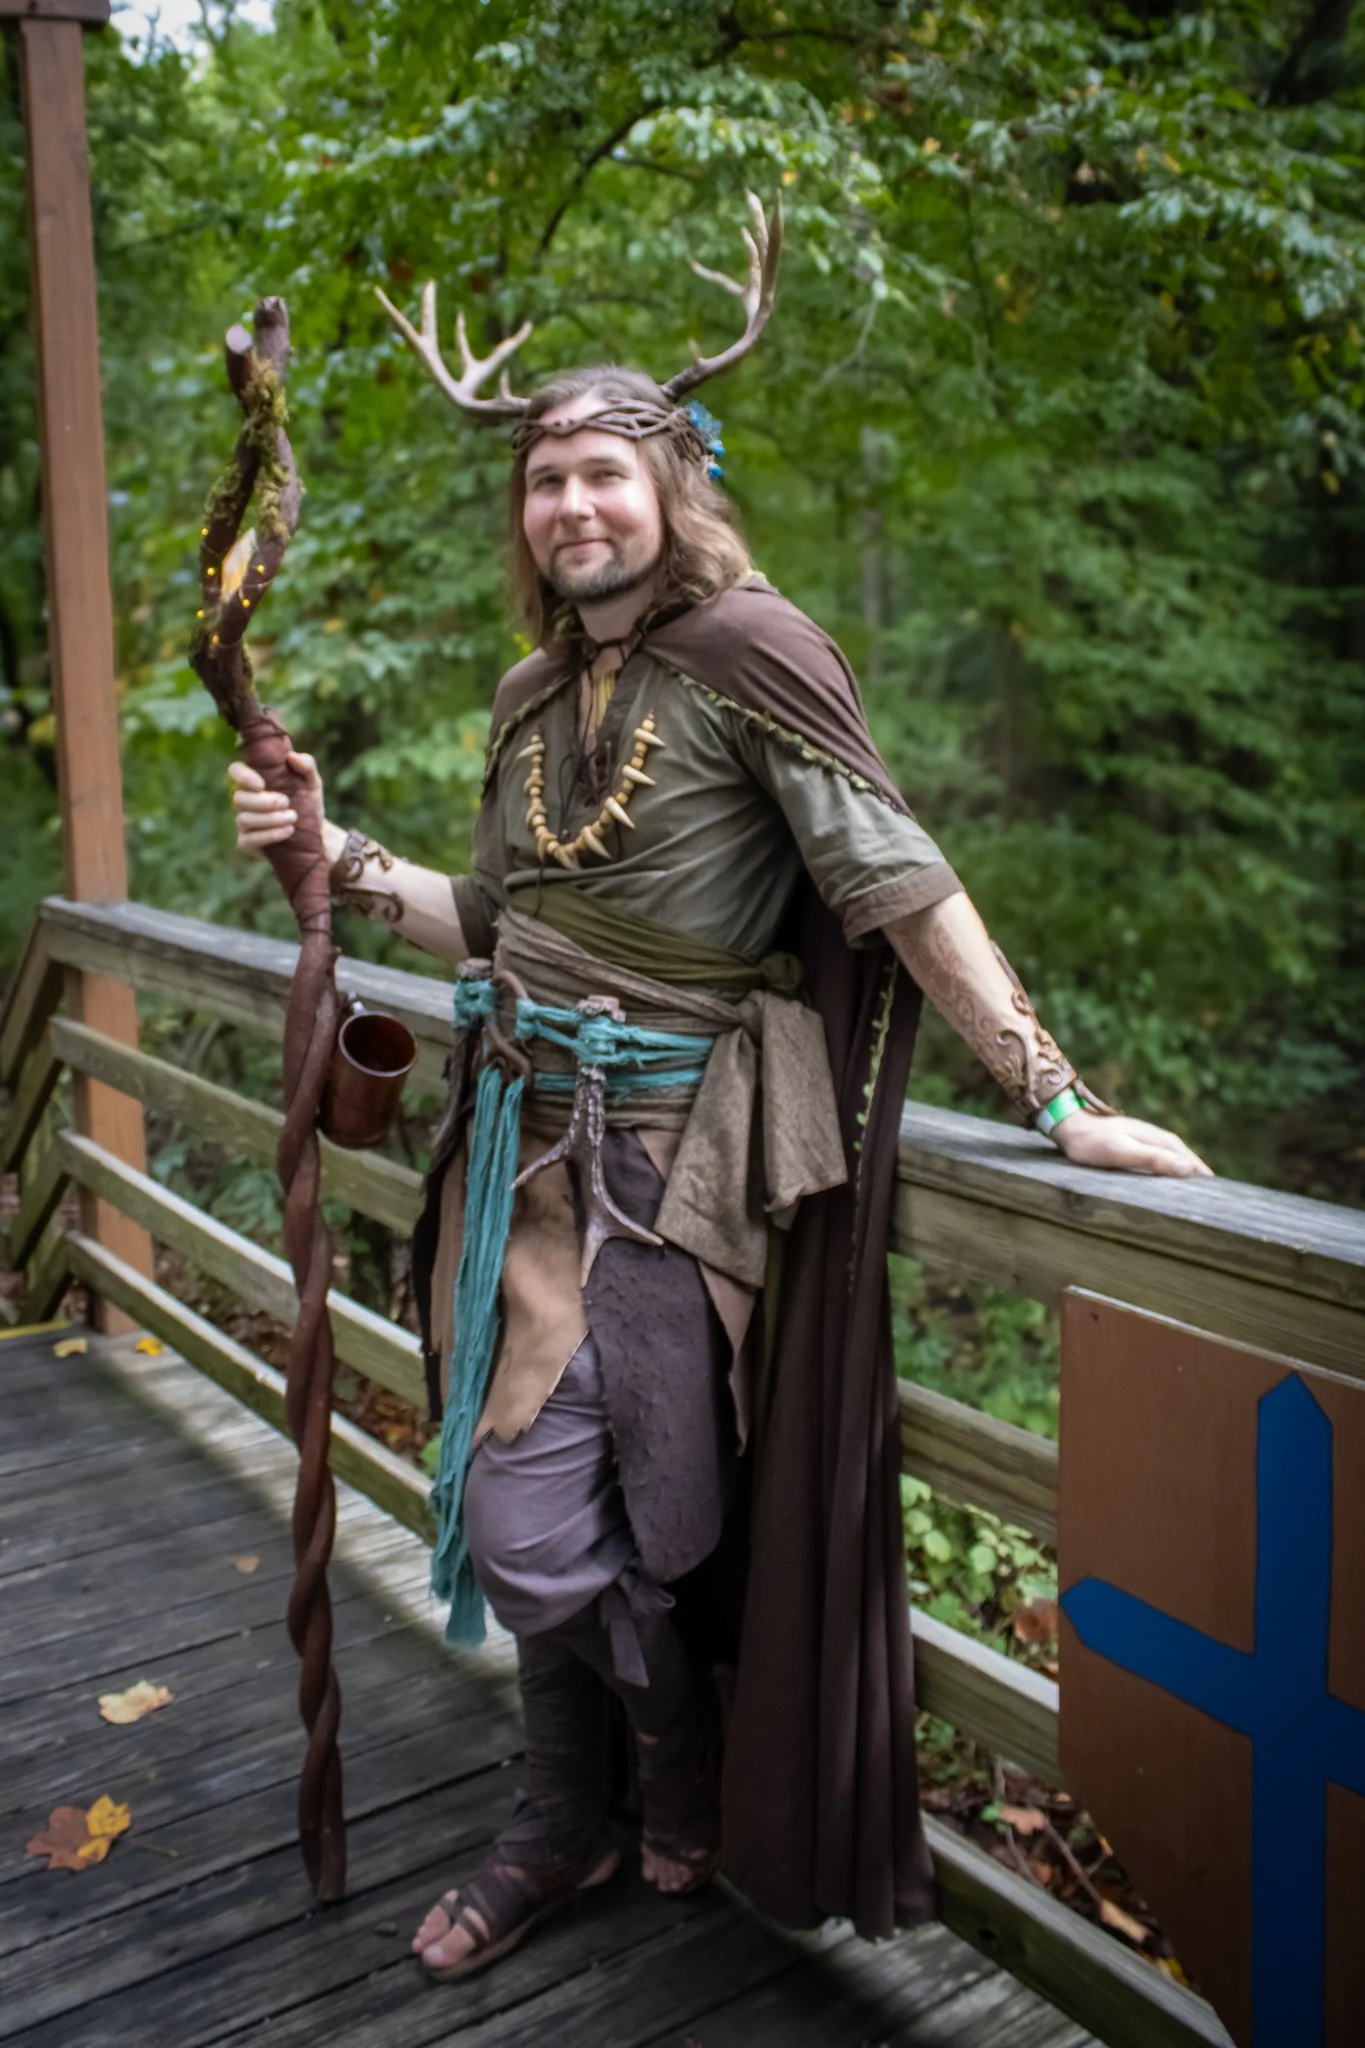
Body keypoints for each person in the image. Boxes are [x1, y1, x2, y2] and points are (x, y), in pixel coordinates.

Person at [229, 199, 1209, 1983]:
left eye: (606, 471)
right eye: (545, 482)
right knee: (530, 1520)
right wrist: (338, 851)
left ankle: (608, 1799)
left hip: (683, 1174)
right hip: (514, 1156)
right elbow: (500, 921)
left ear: (674, 486)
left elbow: (902, 888)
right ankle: (598, 1797)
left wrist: (1057, 1100)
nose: (573, 505)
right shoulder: (533, 691)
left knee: (675, 1523)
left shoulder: (758, 655)